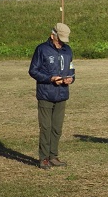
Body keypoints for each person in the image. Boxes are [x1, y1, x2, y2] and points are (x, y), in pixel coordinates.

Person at [29, 23, 75, 170]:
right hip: (45, 94)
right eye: (59, 39)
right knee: (46, 128)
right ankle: (44, 159)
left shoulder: (68, 50)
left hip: (62, 94)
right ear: (52, 35)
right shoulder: (41, 49)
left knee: (57, 128)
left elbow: (72, 69)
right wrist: (50, 78)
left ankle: (53, 156)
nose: (62, 42)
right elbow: (33, 71)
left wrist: (71, 79)